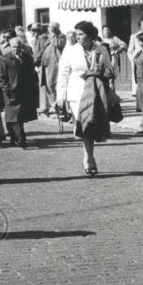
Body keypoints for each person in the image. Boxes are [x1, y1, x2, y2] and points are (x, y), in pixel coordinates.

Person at [56, 20, 114, 175]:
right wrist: (60, 96)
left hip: (96, 91)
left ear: (90, 35)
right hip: (77, 93)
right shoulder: (70, 51)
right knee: (86, 124)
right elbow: (62, 74)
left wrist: (101, 73)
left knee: (93, 124)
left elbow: (109, 68)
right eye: (77, 35)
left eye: (81, 34)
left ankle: (89, 156)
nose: (78, 37)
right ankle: (89, 158)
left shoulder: (101, 49)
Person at [0, 34, 38, 147]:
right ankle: (17, 137)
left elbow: (31, 74)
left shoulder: (27, 58)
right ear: (10, 47)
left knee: (19, 116)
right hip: (10, 91)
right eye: (14, 47)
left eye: (18, 46)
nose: (16, 49)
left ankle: (19, 137)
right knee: (12, 116)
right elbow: (1, 78)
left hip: (23, 91)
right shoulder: (4, 59)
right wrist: (6, 90)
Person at [39, 28, 67, 117]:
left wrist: (56, 35)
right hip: (47, 65)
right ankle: (52, 106)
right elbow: (43, 48)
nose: (50, 31)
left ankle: (56, 107)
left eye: (52, 29)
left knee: (53, 84)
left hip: (54, 65)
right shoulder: (50, 37)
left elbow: (58, 45)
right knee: (48, 85)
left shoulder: (61, 37)